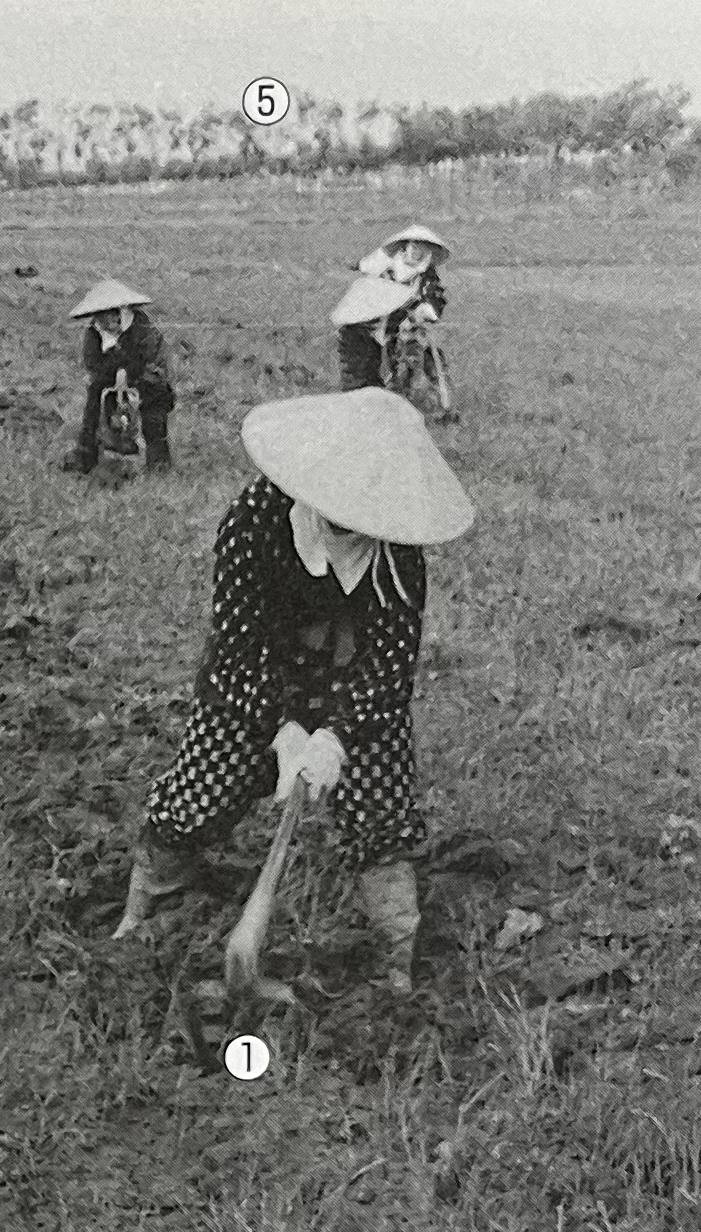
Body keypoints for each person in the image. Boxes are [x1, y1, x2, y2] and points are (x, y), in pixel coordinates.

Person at [113, 388, 476, 991]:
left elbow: (389, 666)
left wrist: (336, 736)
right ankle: (146, 904)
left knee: (380, 805)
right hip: (256, 680)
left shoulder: (398, 559)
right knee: (203, 788)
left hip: (350, 693)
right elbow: (237, 639)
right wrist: (280, 728)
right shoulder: (254, 520)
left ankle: (395, 953)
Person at [60, 279, 174, 472]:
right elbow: (93, 363)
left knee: (154, 415)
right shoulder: (94, 334)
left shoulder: (144, 328)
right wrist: (115, 372)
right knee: (93, 402)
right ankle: (86, 455)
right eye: (104, 316)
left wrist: (126, 373)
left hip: (149, 380)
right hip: (110, 381)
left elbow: (150, 360)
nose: (111, 320)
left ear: (122, 312)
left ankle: (158, 461)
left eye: (114, 313)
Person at [337, 223, 451, 390]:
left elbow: (434, 304)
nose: (417, 252)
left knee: (410, 366)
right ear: (406, 246)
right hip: (366, 327)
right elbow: (365, 272)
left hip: (401, 330)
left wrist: (419, 313)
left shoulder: (427, 275)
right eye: (414, 246)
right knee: (361, 372)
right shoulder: (386, 264)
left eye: (423, 248)